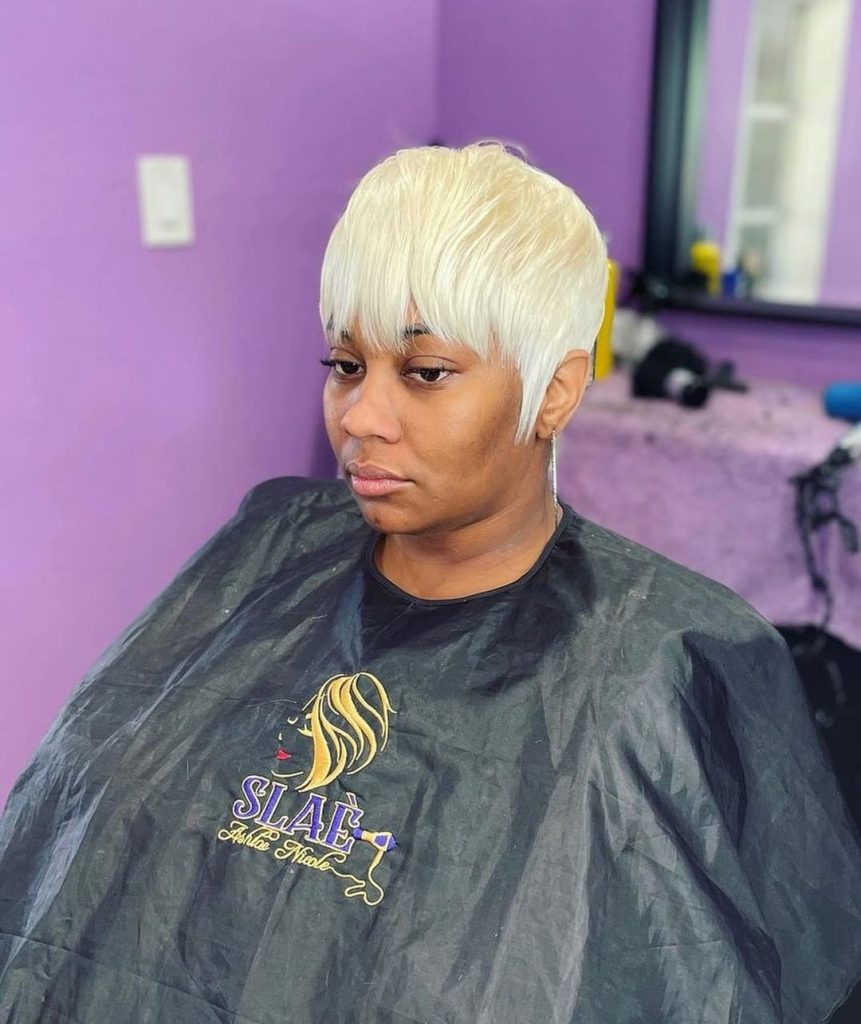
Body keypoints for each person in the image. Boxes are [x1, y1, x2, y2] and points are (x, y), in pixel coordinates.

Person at [1, 141, 859, 1024]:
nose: (361, 418)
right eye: (345, 366)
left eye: (425, 373)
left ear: (554, 393)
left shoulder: (672, 655)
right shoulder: (266, 546)